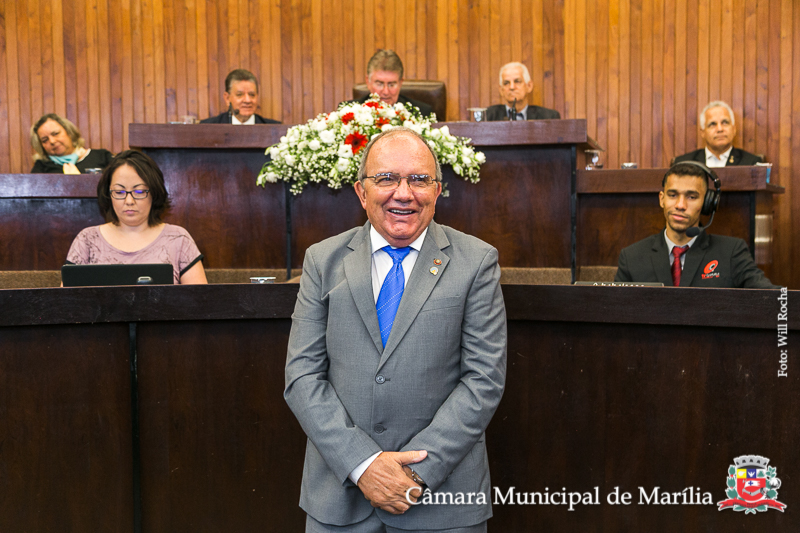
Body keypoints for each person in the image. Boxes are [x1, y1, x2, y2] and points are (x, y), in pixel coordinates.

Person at [284, 127, 507, 532]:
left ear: (437, 190)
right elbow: (302, 376)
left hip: (442, 502)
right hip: (340, 499)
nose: (403, 194)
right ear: (361, 191)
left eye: (419, 180)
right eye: (386, 178)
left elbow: (484, 380)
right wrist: (363, 465)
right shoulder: (322, 260)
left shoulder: (476, 262)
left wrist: (413, 474)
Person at [614, 162, 777, 288]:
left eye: (691, 197)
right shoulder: (631, 257)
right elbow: (615, 313)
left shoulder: (732, 252)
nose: (680, 205)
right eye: (673, 195)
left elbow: (773, 298)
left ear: (707, 204)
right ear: (662, 199)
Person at [65, 150, 207, 285]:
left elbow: (199, 299)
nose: (129, 201)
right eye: (119, 192)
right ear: (108, 195)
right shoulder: (87, 240)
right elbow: (65, 299)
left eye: (139, 191)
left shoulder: (178, 239)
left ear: (154, 193)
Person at [674, 101, 762, 167]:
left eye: (725, 123)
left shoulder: (751, 163)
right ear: (703, 132)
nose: (720, 129)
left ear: (734, 129)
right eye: (712, 124)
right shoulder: (683, 164)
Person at [349, 49, 434, 117]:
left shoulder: (421, 113)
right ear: (368, 82)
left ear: (400, 83)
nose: (386, 92)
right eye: (379, 84)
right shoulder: (349, 111)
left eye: (391, 85)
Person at [30, 113, 114, 174]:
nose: (52, 141)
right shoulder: (41, 167)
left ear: (69, 132)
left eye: (55, 134)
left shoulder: (102, 157)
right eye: (45, 140)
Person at [485, 62, 560, 121]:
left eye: (517, 81)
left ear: (529, 86)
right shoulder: (487, 116)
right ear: (501, 90)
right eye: (506, 83)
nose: (512, 87)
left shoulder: (548, 117)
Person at [200, 69, 280, 125]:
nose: (247, 100)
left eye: (252, 95)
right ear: (227, 98)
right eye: (239, 95)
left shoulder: (275, 129)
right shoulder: (207, 128)